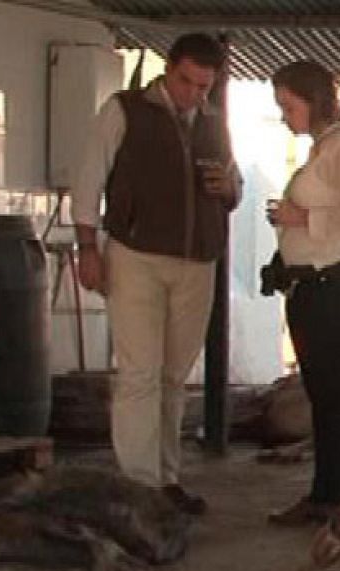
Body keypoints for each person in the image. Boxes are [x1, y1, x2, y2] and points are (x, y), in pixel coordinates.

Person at [72, 34, 240, 516]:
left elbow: (234, 185)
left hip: (198, 260)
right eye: (187, 82)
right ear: (169, 69)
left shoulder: (213, 122)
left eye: (204, 86)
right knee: (139, 373)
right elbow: (88, 179)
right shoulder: (124, 111)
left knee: (173, 377)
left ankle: (167, 478)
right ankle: (139, 485)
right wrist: (88, 248)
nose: (194, 94)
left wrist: (229, 187)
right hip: (136, 255)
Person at [262, 61, 340, 525]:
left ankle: (335, 496)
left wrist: (303, 219)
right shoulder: (323, 149)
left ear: (313, 102)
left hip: (329, 283)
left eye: (289, 107)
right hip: (310, 283)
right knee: (323, 392)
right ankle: (327, 492)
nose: (285, 116)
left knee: (332, 395)